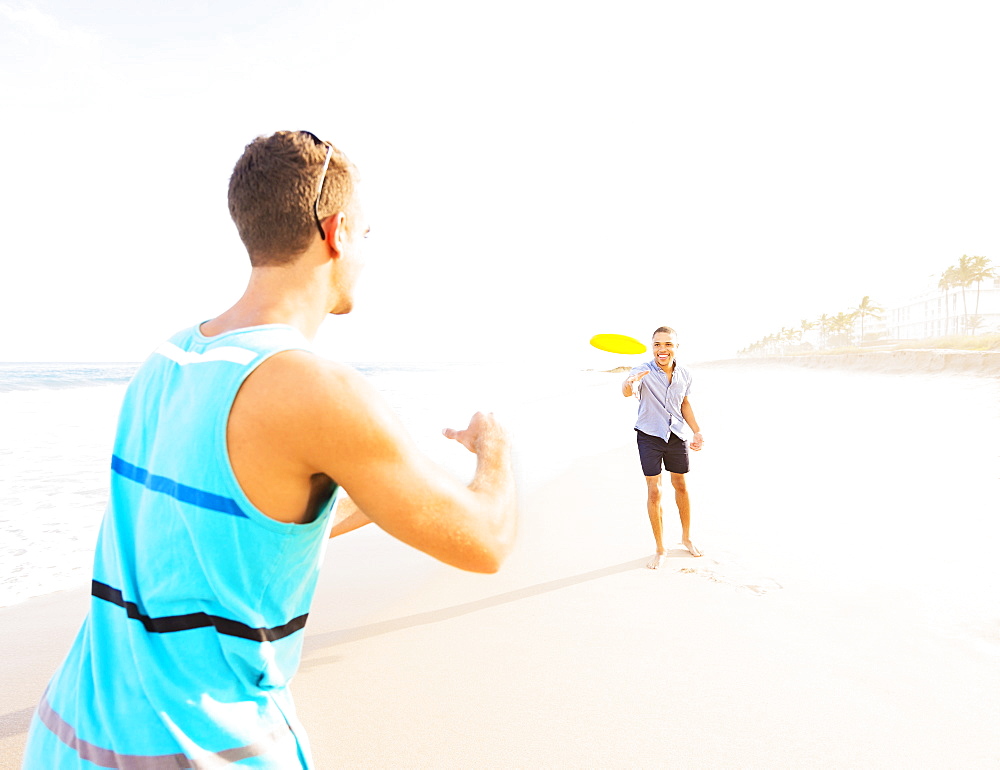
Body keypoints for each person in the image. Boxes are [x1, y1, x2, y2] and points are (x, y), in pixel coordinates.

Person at [22, 131, 518, 768]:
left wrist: (389, 489)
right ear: (336, 231)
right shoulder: (317, 388)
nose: (366, 252)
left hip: (70, 735)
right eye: (368, 235)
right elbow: (488, 542)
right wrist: (496, 452)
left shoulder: (168, 358)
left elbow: (217, 535)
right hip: (199, 750)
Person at [621, 326, 703, 569]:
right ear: (652, 347)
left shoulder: (685, 375)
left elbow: (684, 403)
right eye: (657, 344)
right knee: (654, 491)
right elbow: (627, 390)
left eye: (668, 344)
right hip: (649, 435)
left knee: (680, 484)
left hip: (676, 434)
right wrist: (630, 382)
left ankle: (686, 538)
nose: (662, 349)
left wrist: (697, 430)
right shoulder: (642, 371)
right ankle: (660, 548)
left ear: (676, 347)